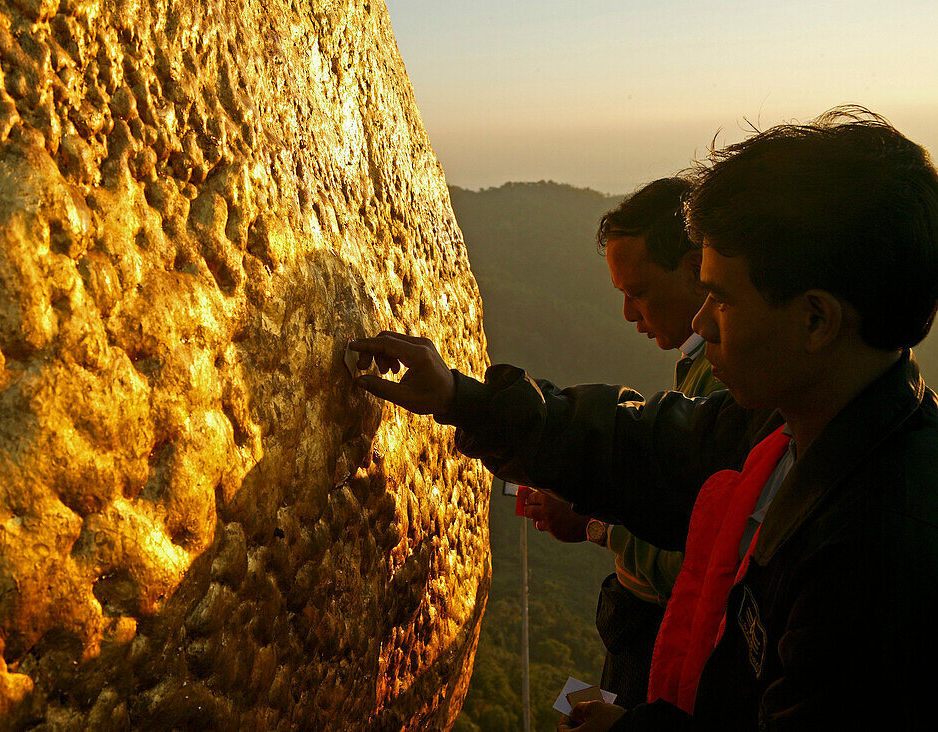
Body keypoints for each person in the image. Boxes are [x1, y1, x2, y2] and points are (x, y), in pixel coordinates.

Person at [349, 107, 938, 729]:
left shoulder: (882, 556)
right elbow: (643, 445)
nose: (703, 322)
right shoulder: (793, 429)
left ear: (816, 320)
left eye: (724, 299)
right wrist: (460, 398)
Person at [519, 176, 725, 709]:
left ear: (694, 265)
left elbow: (702, 560)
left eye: (640, 292)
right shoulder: (702, 365)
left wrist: (593, 525)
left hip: (656, 631)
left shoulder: (726, 383)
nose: (629, 314)